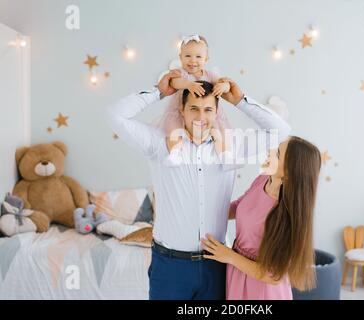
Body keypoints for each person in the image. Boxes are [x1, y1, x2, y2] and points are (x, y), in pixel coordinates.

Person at [106, 70, 291, 300]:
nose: (200, 117)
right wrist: (158, 92)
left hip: (215, 265)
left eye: (207, 110)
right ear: (181, 111)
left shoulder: (232, 147)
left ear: (216, 112)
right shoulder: (160, 144)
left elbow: (281, 131)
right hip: (169, 266)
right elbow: (115, 115)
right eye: (193, 108)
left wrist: (239, 100)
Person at [201, 136, 321, 300]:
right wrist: (201, 211)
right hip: (237, 271)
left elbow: (272, 275)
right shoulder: (263, 179)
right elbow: (238, 206)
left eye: (277, 153)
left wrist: (228, 255)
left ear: (289, 172)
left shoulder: (288, 214)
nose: (270, 152)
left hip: (262, 289)